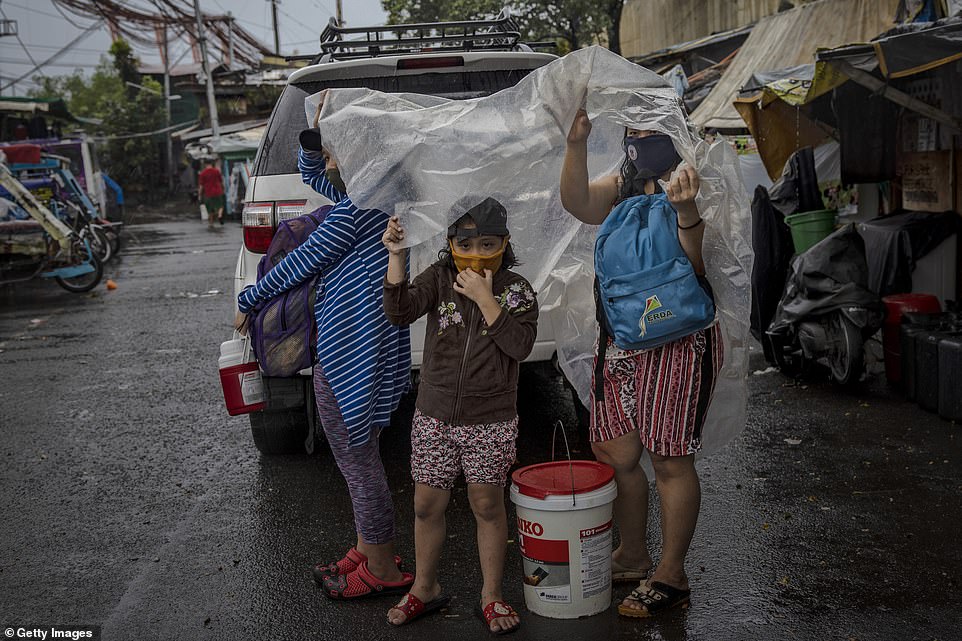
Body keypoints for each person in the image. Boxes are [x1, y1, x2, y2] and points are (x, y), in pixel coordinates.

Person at [234, 112, 414, 600]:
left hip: (348, 352)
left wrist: (248, 301)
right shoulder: (382, 200)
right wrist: (315, 137)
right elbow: (314, 175)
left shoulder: (354, 211)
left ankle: (381, 567)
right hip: (372, 348)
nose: (327, 162)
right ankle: (367, 546)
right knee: (364, 453)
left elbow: (301, 262)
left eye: (336, 151)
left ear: (358, 160)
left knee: (358, 461)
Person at [560, 109, 723, 617]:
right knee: (614, 450)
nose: (644, 138)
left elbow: (697, 268)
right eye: (636, 130)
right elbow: (579, 204)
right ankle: (632, 554)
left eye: (655, 129)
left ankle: (671, 575)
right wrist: (575, 145)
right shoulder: (624, 181)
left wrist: (687, 210)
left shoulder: (700, 178)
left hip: (679, 339)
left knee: (670, 458)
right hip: (623, 338)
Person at [380, 198, 538, 633]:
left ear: (505, 244)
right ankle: (424, 587)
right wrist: (396, 257)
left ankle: (491, 594)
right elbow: (399, 311)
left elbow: (521, 347)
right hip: (434, 413)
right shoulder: (439, 277)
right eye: (464, 243)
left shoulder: (517, 290)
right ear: (449, 244)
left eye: (488, 243)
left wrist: (489, 302)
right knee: (427, 503)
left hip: (491, 419)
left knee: (487, 504)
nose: (476, 252)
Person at [198, 157, 225, 227]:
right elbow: (221, 181)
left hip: (208, 193)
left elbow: (201, 186)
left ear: (205, 164)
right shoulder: (216, 171)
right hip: (218, 191)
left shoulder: (203, 173)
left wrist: (200, 194)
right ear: (211, 164)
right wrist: (223, 189)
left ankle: (211, 223)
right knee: (220, 206)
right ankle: (220, 215)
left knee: (210, 209)